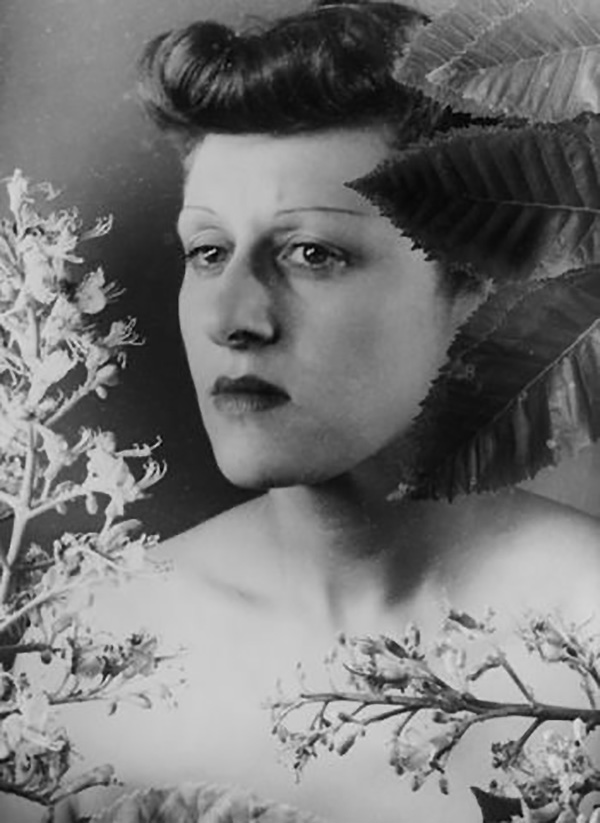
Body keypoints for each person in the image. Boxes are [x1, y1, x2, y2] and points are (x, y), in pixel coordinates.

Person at [20, 2, 600, 822]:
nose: (234, 317)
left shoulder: (587, 625)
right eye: (208, 251)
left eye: (312, 253)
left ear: (479, 285)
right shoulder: (91, 648)